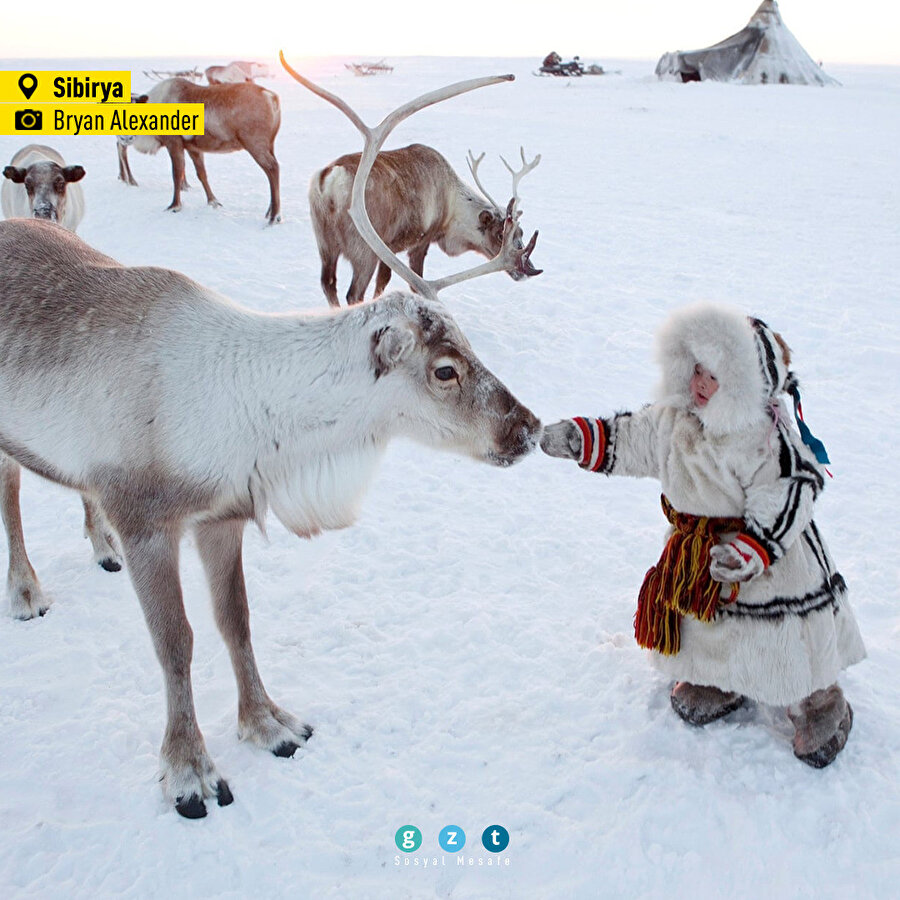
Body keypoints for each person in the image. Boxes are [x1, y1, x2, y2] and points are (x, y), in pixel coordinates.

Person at [541, 302, 866, 767]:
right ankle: (720, 679)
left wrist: (754, 548)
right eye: (695, 370)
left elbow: (791, 492)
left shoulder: (763, 436)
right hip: (702, 556)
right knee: (710, 625)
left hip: (773, 560)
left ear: (742, 381)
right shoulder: (674, 419)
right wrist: (583, 440)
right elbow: (632, 437)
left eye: (713, 376)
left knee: (785, 639)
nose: (698, 384)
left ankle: (819, 703)